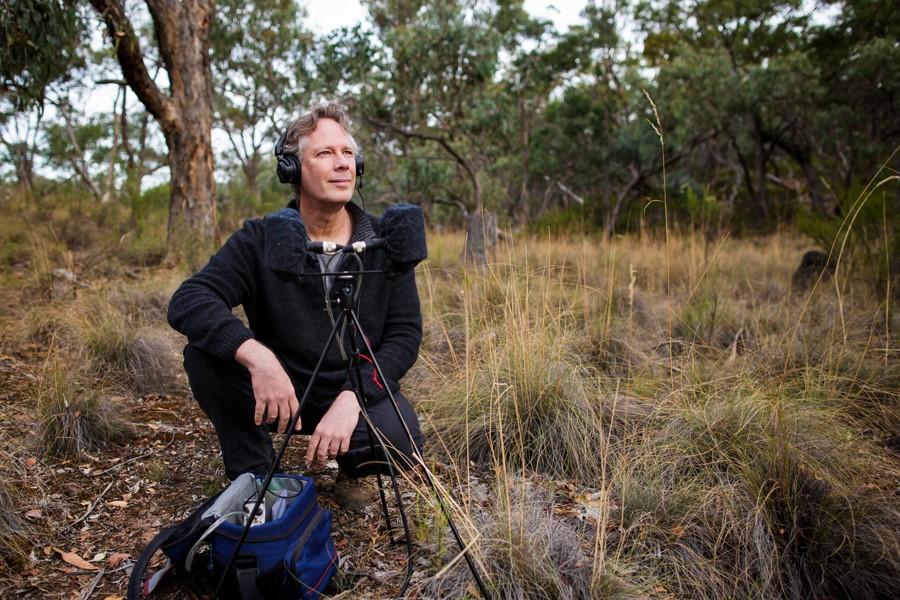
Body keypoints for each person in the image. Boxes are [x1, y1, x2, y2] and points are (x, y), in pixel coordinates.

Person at [167, 102, 424, 501]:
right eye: (324, 153)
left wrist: (354, 395)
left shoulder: (384, 242)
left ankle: (350, 468)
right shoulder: (260, 239)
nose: (342, 164)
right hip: (282, 388)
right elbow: (190, 299)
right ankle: (253, 475)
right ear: (292, 169)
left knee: (397, 440)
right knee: (205, 355)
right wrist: (257, 357)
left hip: (350, 387)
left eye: (347, 154)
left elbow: (404, 335)